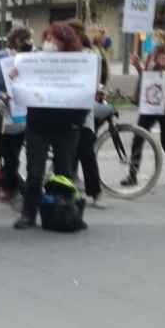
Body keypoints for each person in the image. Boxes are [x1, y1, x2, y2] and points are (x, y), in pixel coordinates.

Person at [14, 22, 91, 230]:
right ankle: (28, 214)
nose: (48, 43)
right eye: (46, 38)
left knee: (64, 174)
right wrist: (16, 76)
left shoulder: (79, 62)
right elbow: (22, 84)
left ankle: (65, 210)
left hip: (67, 126)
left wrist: (78, 121)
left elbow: (86, 92)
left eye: (52, 39)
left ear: (64, 42)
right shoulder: (36, 61)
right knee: (35, 173)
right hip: (38, 124)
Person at [126, 30, 165, 189]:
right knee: (138, 137)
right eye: (155, 39)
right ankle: (132, 174)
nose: (156, 42)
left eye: (159, 39)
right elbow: (147, 77)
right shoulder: (152, 55)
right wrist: (138, 66)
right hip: (151, 102)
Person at [0, 26, 32, 207]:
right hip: (6, 109)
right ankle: (8, 187)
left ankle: (12, 185)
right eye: (26, 39)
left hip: (23, 108)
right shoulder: (0, 57)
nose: (29, 43)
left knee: (17, 149)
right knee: (7, 151)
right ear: (18, 40)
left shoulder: (29, 58)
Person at [67, 19, 105, 207]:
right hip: (65, 111)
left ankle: (95, 192)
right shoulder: (62, 55)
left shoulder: (90, 55)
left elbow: (95, 82)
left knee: (86, 154)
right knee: (68, 156)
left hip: (83, 112)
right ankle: (68, 191)